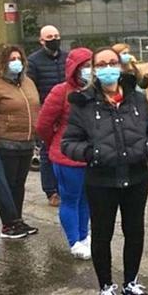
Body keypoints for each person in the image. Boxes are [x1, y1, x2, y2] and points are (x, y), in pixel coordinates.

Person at [62, 47, 148, 295]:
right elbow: (68, 143)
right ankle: (105, 287)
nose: (108, 68)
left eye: (112, 62)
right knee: (102, 234)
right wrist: (91, 153)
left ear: (120, 66)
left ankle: (131, 283)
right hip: (101, 181)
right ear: (94, 70)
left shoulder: (137, 99)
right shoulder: (83, 103)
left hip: (136, 177)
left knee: (135, 231)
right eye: (102, 64)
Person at [36, 47, 93, 260]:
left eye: (91, 66)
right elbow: (43, 124)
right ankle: (74, 241)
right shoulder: (61, 91)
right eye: (84, 66)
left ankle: (84, 236)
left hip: (89, 156)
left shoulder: (95, 90)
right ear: (74, 69)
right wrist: (55, 144)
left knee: (86, 199)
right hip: (67, 158)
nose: (88, 70)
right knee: (70, 198)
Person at [0, 45, 41, 239]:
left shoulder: (27, 83)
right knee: (5, 185)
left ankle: (17, 220)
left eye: (19, 59)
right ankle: (8, 225)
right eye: (12, 59)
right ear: (3, 62)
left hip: (26, 143)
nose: (16, 63)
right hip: (5, 144)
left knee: (19, 185)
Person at [27, 25, 67, 208]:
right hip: (47, 111)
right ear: (42, 40)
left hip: (68, 111)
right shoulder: (33, 62)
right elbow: (31, 90)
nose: (54, 39)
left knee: (69, 149)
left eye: (57, 36)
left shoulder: (67, 58)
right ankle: (51, 191)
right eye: (50, 36)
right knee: (47, 153)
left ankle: (68, 188)